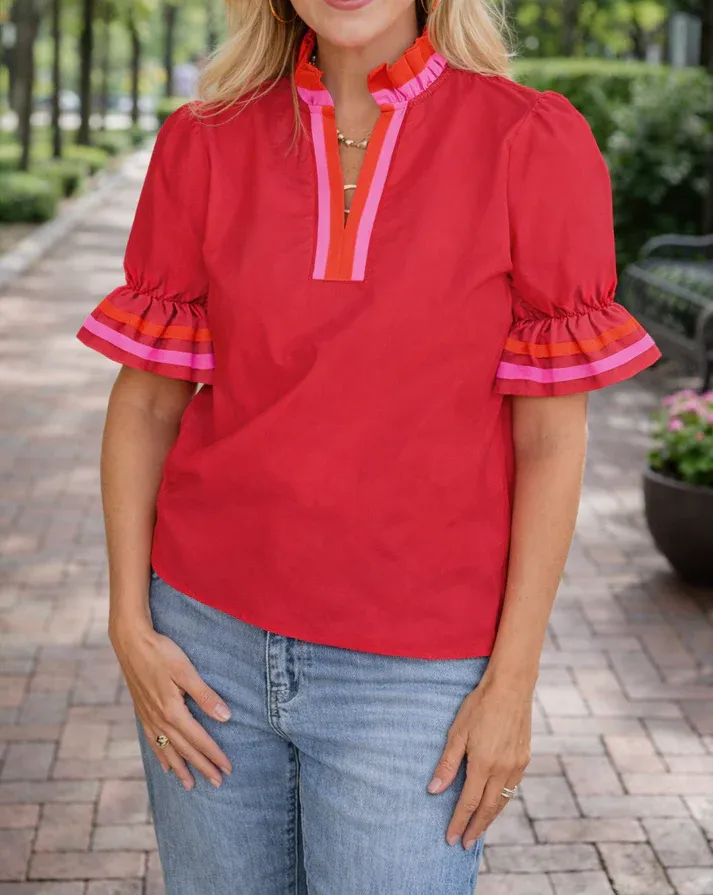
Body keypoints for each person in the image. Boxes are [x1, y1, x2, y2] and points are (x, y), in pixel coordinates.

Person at [75, 0, 661, 891]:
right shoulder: (204, 141)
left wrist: (511, 682)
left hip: (414, 674)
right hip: (203, 642)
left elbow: (549, 437)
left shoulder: (528, 141)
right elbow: (149, 402)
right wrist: (128, 621)